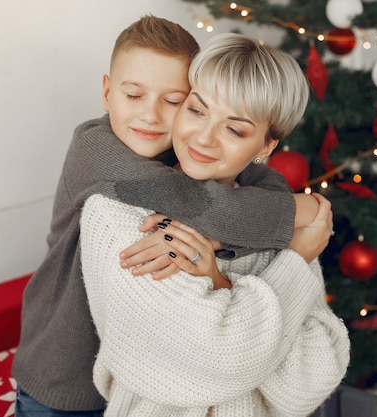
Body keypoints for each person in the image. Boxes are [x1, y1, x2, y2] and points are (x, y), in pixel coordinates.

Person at [13, 16, 321, 417]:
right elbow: (197, 203)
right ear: (107, 93)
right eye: (134, 95)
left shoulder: (186, 152)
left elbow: (265, 186)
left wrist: (216, 240)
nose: (150, 117)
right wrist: (306, 211)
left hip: (130, 385)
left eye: (173, 101)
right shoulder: (96, 151)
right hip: (65, 374)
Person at [80, 32, 350, 417]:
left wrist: (221, 284)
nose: (204, 138)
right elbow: (222, 357)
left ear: (266, 146)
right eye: (196, 110)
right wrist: (294, 264)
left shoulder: (273, 225)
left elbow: (308, 383)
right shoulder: (116, 214)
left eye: (235, 129)